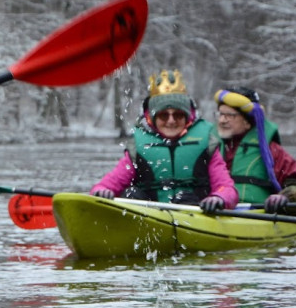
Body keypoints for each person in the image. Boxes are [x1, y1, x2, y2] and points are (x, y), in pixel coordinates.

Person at [90, 69, 238, 212]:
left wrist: (219, 198)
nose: (171, 121)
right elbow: (111, 182)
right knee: (131, 193)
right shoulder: (138, 147)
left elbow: (227, 188)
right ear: (152, 118)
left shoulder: (207, 145)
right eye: (163, 116)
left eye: (178, 115)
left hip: (193, 213)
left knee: (185, 198)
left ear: (187, 117)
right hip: (150, 217)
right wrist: (102, 191)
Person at [213, 86, 296, 213]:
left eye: (229, 116)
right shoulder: (210, 147)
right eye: (220, 114)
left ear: (247, 122)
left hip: (258, 215)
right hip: (215, 213)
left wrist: (285, 197)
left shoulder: (272, 151)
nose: (222, 120)